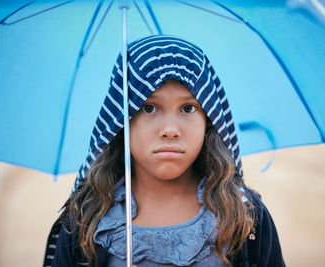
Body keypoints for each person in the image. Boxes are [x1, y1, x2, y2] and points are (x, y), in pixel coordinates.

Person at [43, 35, 285, 267]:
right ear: (121, 120)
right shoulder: (88, 219)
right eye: (149, 108)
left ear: (209, 121)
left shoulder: (244, 215)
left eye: (188, 108)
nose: (170, 130)